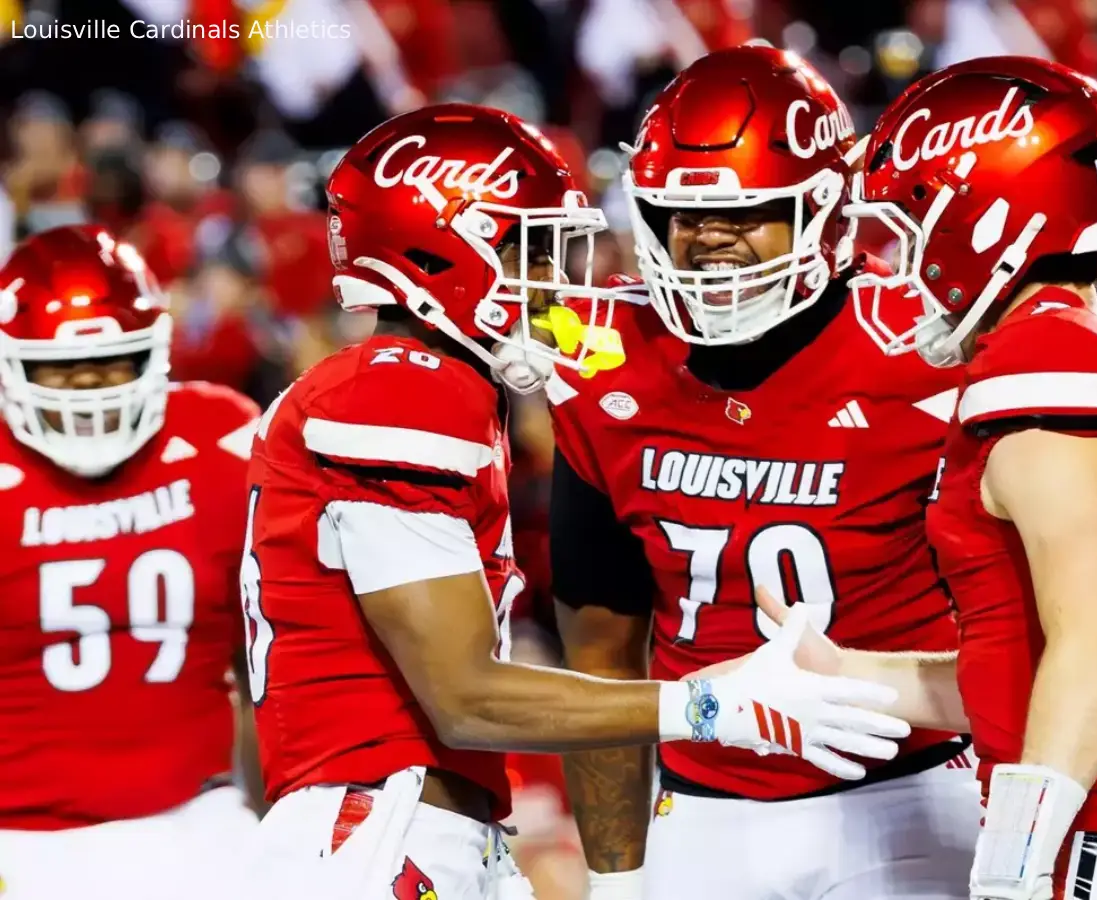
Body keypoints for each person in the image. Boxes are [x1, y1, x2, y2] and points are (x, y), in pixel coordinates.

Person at [241, 103, 912, 900]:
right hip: (377, 828)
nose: (558, 280)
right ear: (439, 252)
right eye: (529, 248)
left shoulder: (419, 384)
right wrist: (712, 705)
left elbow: (611, 332)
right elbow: (466, 698)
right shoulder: (398, 395)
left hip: (414, 824)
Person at [783, 54, 1097, 899]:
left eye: (914, 226)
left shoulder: (1044, 354)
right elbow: (1028, 671)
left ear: (986, 217)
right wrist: (840, 671)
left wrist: (1014, 865)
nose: (900, 264)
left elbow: (1095, 649)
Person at [547, 44, 981, 900]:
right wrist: (615, 877)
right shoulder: (597, 354)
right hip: (702, 804)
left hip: (908, 789)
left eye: (743, 215)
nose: (707, 240)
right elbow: (600, 654)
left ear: (824, 211)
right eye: (680, 215)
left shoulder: (929, 345)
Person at [0, 225, 262, 900]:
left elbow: (275, 656)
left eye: (113, 363)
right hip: (19, 839)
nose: (87, 389)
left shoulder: (219, 436)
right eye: (58, 369)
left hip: (200, 823)